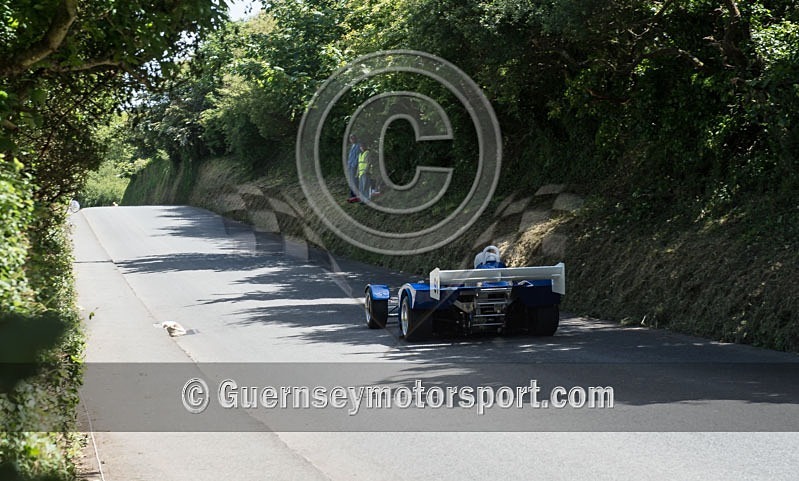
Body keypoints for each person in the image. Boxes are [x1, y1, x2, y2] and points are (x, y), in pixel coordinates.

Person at [346, 134, 361, 203]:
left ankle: (355, 195)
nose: (352, 139)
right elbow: (350, 157)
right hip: (350, 166)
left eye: (353, 138)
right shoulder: (352, 146)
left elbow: (358, 157)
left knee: (354, 181)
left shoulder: (358, 146)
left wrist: (354, 165)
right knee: (351, 181)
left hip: (354, 166)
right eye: (351, 138)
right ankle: (352, 195)